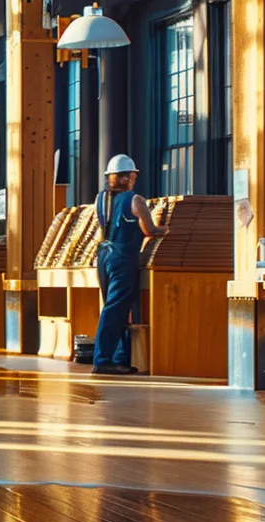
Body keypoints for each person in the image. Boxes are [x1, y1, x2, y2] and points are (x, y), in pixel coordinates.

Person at [93, 154, 168, 375]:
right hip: (122, 256)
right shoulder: (135, 200)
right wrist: (170, 230)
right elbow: (150, 230)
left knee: (115, 307)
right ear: (128, 178)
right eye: (133, 175)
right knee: (116, 308)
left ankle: (119, 358)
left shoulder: (101, 199)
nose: (134, 179)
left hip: (104, 255)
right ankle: (103, 360)